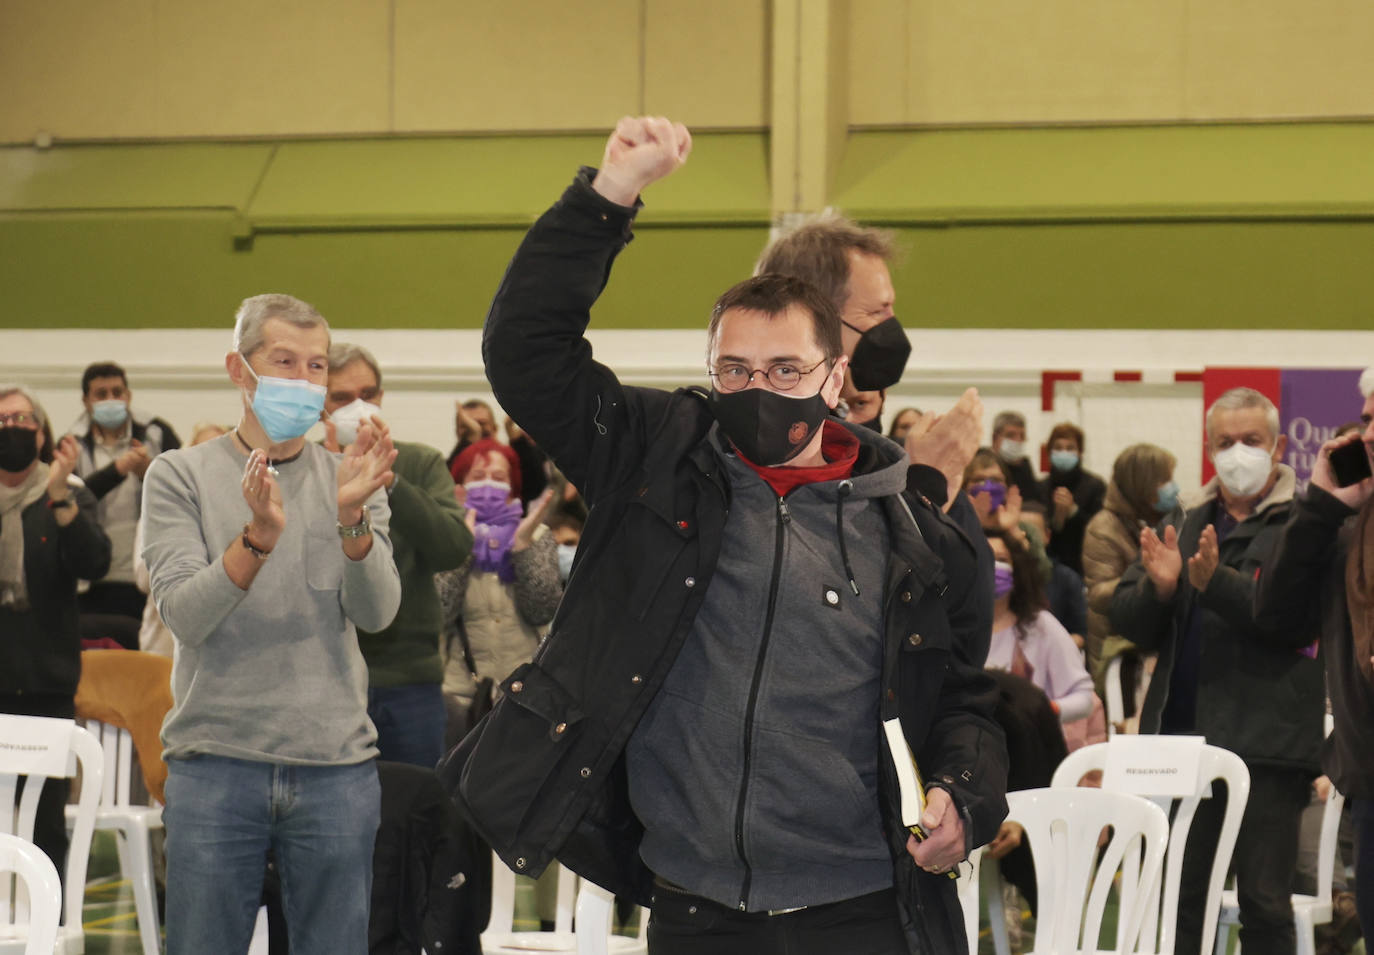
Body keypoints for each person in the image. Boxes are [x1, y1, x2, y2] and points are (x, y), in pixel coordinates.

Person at [445, 116, 1006, 955]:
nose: (759, 390)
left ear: (836, 375)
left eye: (785, 371)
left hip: (862, 908)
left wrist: (965, 792)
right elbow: (524, 349)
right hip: (694, 907)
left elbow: (964, 699)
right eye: (735, 371)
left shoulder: (915, 535)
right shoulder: (656, 457)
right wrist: (609, 195)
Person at [141, 293, 402, 955]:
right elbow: (185, 616)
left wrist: (352, 520)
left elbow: (378, 613)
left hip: (336, 768)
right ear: (240, 368)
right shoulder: (180, 475)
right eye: (283, 360)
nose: (304, 380)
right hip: (215, 763)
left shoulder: (353, 476)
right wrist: (255, 539)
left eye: (316, 366)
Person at [1111, 387, 1324, 955]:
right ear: (1209, 450)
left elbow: (1296, 622)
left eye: (1251, 441)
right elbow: (1130, 620)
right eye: (1225, 442)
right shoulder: (1183, 518)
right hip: (1184, 744)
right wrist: (1158, 588)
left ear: (1278, 448)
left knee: (1263, 902)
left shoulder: (1304, 524)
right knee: (1182, 901)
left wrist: (1215, 584)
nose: (1238, 453)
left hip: (1269, 746)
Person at [1252, 368, 1374, 937]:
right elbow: (1278, 617)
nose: (1368, 434)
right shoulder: (1350, 525)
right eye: (1368, 418)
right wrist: (1320, 507)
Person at [324, 342, 474, 769]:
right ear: (321, 404)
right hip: (327, 677)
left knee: (415, 818)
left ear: (382, 399)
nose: (359, 407)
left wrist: (388, 480)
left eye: (368, 395)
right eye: (342, 398)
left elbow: (453, 548)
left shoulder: (420, 462)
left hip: (410, 680)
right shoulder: (307, 466)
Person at [0, 384, 111, 883]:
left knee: (44, 822)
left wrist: (62, 497)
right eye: (2, 422)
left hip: (45, 679)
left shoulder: (68, 490)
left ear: (41, 433)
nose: (13, 430)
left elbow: (96, 562)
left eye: (24, 420)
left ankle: (49, 927)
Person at [438, 439, 561, 748]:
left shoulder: (537, 533)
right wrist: (461, 549)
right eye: (478, 475)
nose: (489, 483)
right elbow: (439, 611)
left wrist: (523, 548)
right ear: (459, 486)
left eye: (499, 476)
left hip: (525, 692)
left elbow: (543, 609)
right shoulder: (441, 536)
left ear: (513, 486)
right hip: (459, 693)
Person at [71, 361, 181, 646]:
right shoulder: (72, 444)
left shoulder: (157, 434)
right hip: (91, 582)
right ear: (86, 401)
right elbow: (71, 499)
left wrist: (150, 473)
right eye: (101, 394)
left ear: (128, 396)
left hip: (144, 579)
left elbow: (183, 492)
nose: (111, 400)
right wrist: (116, 471)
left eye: (117, 392)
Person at [1081, 442, 1177, 708]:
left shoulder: (1148, 520)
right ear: (1142, 484)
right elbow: (1098, 594)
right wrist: (1150, 577)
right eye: (1165, 480)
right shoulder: (1103, 528)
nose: (1172, 486)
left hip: (1142, 649)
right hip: (1117, 654)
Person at [132, 422, 229, 657]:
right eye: (202, 454)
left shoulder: (244, 509)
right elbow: (144, 579)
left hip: (224, 649)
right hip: (164, 646)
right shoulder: (160, 508)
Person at [984, 529, 1095, 725]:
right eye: (984, 558)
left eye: (1001, 559)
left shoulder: (1041, 626)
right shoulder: (955, 630)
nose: (993, 567)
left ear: (1016, 569)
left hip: (1030, 747)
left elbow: (1084, 698)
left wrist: (1046, 711)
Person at [1038, 421, 1106, 576]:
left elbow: (1101, 529)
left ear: (1080, 453)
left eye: (1070, 448)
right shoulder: (1040, 488)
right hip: (1047, 568)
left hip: (1084, 567)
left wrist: (1074, 513)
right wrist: (1055, 520)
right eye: (1058, 448)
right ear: (1049, 452)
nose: (1064, 453)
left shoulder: (1095, 486)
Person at [1019, 501, 1087, 646]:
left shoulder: (1066, 578)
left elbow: (1080, 633)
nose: (1026, 539)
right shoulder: (1000, 575)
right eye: (1020, 531)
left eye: (1033, 532)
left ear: (1047, 536)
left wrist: (1050, 652)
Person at [990, 411, 1039, 502]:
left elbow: (1033, 503)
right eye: (1010, 435)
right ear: (994, 439)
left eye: (1022, 436)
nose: (1017, 440)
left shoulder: (1025, 466)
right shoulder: (983, 465)